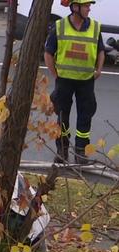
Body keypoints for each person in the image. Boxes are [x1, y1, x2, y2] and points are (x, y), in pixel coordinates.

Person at [44, 0, 104, 164]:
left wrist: (98, 69)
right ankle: (62, 151)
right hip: (64, 81)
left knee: (85, 117)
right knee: (62, 117)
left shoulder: (94, 27)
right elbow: (48, 53)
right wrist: (55, 75)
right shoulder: (60, 26)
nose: (89, 9)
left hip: (86, 82)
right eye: (86, 6)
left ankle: (80, 153)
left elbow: (100, 51)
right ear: (75, 7)